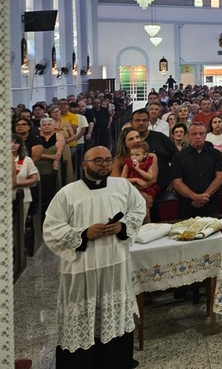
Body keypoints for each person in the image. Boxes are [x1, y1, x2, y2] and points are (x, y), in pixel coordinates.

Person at [43, 146, 146, 369]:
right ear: (84, 165)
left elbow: (138, 210)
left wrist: (122, 226)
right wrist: (83, 234)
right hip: (82, 266)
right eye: (97, 161)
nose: (104, 165)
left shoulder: (122, 186)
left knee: (114, 312)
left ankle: (116, 361)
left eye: (108, 160)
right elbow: (52, 228)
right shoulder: (68, 193)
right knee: (81, 314)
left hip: (115, 262)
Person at [170, 122, 222, 218]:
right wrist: (195, 197)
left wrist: (204, 196)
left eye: (201, 133)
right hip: (188, 205)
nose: (198, 137)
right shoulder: (178, 157)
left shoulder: (215, 154)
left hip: (210, 203)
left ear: (205, 135)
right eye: (194, 134)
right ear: (187, 136)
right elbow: (177, 182)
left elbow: (220, 177)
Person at [119, 141, 159, 223]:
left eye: (137, 155)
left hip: (146, 189)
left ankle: (148, 227)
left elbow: (150, 176)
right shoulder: (128, 164)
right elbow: (122, 179)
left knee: (145, 211)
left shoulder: (149, 161)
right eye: (132, 155)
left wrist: (139, 169)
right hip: (131, 189)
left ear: (144, 155)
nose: (134, 157)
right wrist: (136, 179)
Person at [35, 117, 66, 214]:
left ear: (54, 126)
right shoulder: (35, 137)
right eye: (44, 125)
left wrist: (55, 160)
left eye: (49, 124)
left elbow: (59, 151)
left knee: (51, 190)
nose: (46, 126)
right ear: (40, 127)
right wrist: (51, 157)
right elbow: (35, 155)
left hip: (52, 168)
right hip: (38, 167)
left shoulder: (58, 135)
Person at [12, 134, 39, 219]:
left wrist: (17, 184)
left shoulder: (27, 160)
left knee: (20, 224)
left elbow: (34, 179)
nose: (13, 144)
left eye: (16, 142)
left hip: (22, 195)